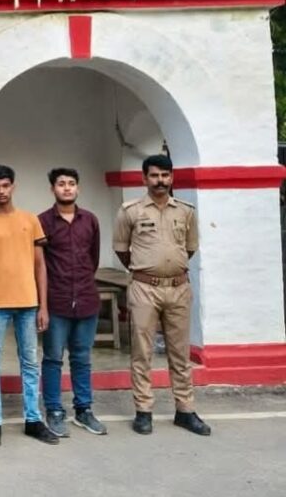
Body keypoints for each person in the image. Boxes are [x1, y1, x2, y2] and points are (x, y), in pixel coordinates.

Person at [113, 154, 210, 437]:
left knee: (180, 353)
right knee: (142, 352)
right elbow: (121, 250)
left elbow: (189, 248)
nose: (160, 181)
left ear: (172, 178)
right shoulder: (130, 211)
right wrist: (148, 269)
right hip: (145, 288)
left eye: (165, 175)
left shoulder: (186, 211)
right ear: (144, 178)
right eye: (154, 175)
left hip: (178, 288)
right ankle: (143, 411)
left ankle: (185, 410)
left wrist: (169, 268)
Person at [0, 165, 58, 447]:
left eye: (5, 185)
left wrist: (43, 306)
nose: (1, 191)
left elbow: (40, 266)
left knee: (30, 362)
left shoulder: (30, 220)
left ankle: (33, 419)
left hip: (28, 303)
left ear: (13, 186)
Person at [39, 168, 107, 438]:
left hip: (87, 300)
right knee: (53, 358)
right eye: (61, 184)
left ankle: (83, 410)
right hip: (56, 301)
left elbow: (93, 258)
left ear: (78, 188)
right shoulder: (43, 222)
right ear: (52, 189)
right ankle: (54, 410)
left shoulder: (90, 220)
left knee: (82, 357)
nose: (66, 188)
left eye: (71, 183)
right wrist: (42, 305)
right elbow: (39, 265)